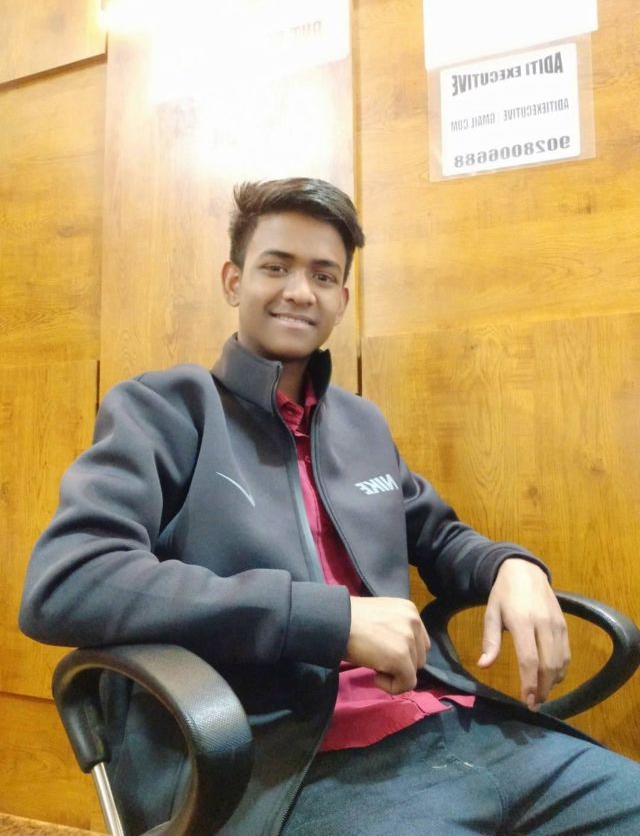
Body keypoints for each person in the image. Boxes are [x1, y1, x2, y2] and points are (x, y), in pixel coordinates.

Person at [20, 178, 640, 834]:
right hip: (285, 760)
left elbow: (439, 536)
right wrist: (328, 618)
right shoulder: (163, 410)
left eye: (323, 275)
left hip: (444, 721)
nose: (299, 291)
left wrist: (512, 566)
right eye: (275, 267)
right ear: (233, 281)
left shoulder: (360, 424)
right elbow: (68, 581)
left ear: (342, 298)